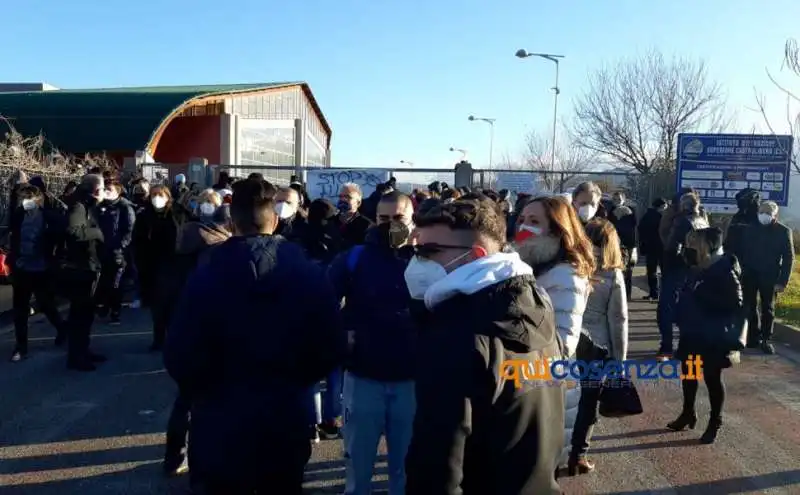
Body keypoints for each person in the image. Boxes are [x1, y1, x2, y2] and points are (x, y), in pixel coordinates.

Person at [164, 179, 346, 494]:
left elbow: (180, 352)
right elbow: (330, 346)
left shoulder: (206, 274)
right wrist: (295, 380)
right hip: (285, 416)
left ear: (232, 221)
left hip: (219, 420)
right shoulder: (308, 274)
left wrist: (205, 390)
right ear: (275, 219)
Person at [404, 198, 564, 494]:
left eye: (428, 252)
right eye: (415, 251)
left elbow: (438, 464)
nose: (417, 262)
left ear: (475, 255)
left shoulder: (455, 334)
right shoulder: (536, 301)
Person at [329, 192, 418, 494]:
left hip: (411, 378)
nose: (390, 225)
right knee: (359, 464)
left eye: (398, 219)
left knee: (405, 466)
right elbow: (322, 302)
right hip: (363, 375)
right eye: (383, 219)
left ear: (411, 218)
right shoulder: (354, 258)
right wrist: (343, 333)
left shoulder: (427, 260)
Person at [514, 196, 594, 473]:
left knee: (537, 474)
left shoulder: (564, 276)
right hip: (526, 384)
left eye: (535, 222)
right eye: (522, 219)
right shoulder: (529, 266)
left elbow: (562, 343)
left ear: (557, 230)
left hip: (545, 387)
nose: (524, 227)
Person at [161, 188, 231, 476]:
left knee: (185, 399)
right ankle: (205, 463)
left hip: (182, 327)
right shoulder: (219, 250)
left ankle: (174, 455)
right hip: (210, 332)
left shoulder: (185, 237)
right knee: (211, 403)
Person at [668, 227, 741, 444]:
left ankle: (715, 422)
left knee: (712, 378)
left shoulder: (725, 269)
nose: (689, 248)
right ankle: (688, 412)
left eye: (694, 244)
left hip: (714, 337)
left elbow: (736, 304)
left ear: (708, 246)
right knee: (689, 374)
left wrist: (703, 296)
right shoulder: (697, 267)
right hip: (692, 332)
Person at [568, 218, 628, 475]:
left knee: (561, 398)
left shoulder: (569, 265)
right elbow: (618, 318)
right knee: (588, 402)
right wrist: (619, 358)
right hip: (597, 344)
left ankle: (551, 451)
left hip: (568, 339)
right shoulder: (611, 273)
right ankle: (578, 455)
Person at [8, 183, 68, 361]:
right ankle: (21, 346)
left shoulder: (49, 217)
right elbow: (13, 237)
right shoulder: (18, 216)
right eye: (22, 199)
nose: (25, 202)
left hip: (42, 268)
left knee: (46, 304)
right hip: (22, 268)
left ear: (38, 199)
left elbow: (63, 234)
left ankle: (62, 329)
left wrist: (57, 256)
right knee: (20, 309)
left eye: (28, 199)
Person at [657, 192, 709, 361]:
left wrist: (666, 263)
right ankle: (685, 347)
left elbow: (672, 247)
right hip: (695, 270)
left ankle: (666, 347)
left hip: (677, 269)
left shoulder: (682, 222)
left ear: (682, 205)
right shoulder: (703, 221)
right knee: (688, 310)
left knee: (666, 308)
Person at [62, 174, 107, 371]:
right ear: (96, 190)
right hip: (79, 268)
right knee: (80, 315)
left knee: (86, 314)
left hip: (88, 265)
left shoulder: (87, 205)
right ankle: (76, 356)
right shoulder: (78, 206)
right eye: (103, 188)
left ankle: (84, 350)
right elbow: (74, 231)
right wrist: (97, 233)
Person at [132, 185, 180, 351]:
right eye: (153, 195)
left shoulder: (175, 215)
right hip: (152, 266)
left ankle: (174, 338)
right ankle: (158, 338)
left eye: (160, 195)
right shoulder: (144, 216)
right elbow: (137, 241)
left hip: (173, 265)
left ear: (167, 197)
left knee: (173, 306)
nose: (157, 198)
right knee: (157, 306)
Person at [743, 201, 794, 354]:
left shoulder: (783, 231)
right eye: (762, 212)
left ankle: (766, 338)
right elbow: (744, 250)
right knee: (750, 306)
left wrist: (782, 281)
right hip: (750, 274)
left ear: (774, 216)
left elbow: (788, 258)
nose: (763, 216)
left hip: (770, 276)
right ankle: (752, 337)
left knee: (768, 308)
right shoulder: (751, 228)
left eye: (767, 213)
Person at [96, 180, 136, 325]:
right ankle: (105, 305)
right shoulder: (100, 207)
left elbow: (129, 230)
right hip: (102, 250)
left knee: (116, 283)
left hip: (118, 251)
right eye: (104, 189)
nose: (106, 191)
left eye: (109, 189)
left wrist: (121, 247)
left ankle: (115, 312)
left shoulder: (125, 207)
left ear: (117, 192)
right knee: (104, 281)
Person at [607, 191, 637, 300]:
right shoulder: (610, 212)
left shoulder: (630, 211)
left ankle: (627, 294)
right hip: (614, 244)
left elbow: (633, 228)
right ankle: (615, 294)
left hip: (628, 244)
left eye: (619, 199)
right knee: (614, 269)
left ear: (624, 200)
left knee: (628, 270)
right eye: (614, 200)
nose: (617, 202)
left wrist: (633, 247)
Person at [638, 198, 668, 301]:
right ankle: (664, 293)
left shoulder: (647, 216)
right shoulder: (665, 217)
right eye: (664, 206)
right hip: (663, 247)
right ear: (660, 207)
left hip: (651, 247)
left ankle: (653, 293)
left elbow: (640, 230)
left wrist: (643, 245)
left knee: (652, 271)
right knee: (664, 272)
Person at [337, 183, 373, 248]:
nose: (342, 199)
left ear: (358, 203)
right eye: (340, 196)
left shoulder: (367, 226)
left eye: (348, 197)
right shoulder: (330, 220)